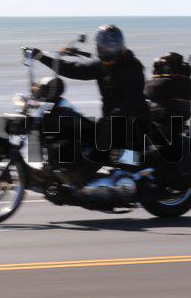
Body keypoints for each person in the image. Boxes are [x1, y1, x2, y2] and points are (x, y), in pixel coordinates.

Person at [30, 25, 149, 191]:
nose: (106, 49)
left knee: (102, 142)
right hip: (111, 120)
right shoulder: (102, 65)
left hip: (132, 121)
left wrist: (114, 117)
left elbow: (133, 101)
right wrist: (42, 57)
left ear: (120, 45)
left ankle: (82, 181)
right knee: (80, 131)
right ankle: (58, 170)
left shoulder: (132, 66)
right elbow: (74, 69)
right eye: (103, 46)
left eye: (111, 46)